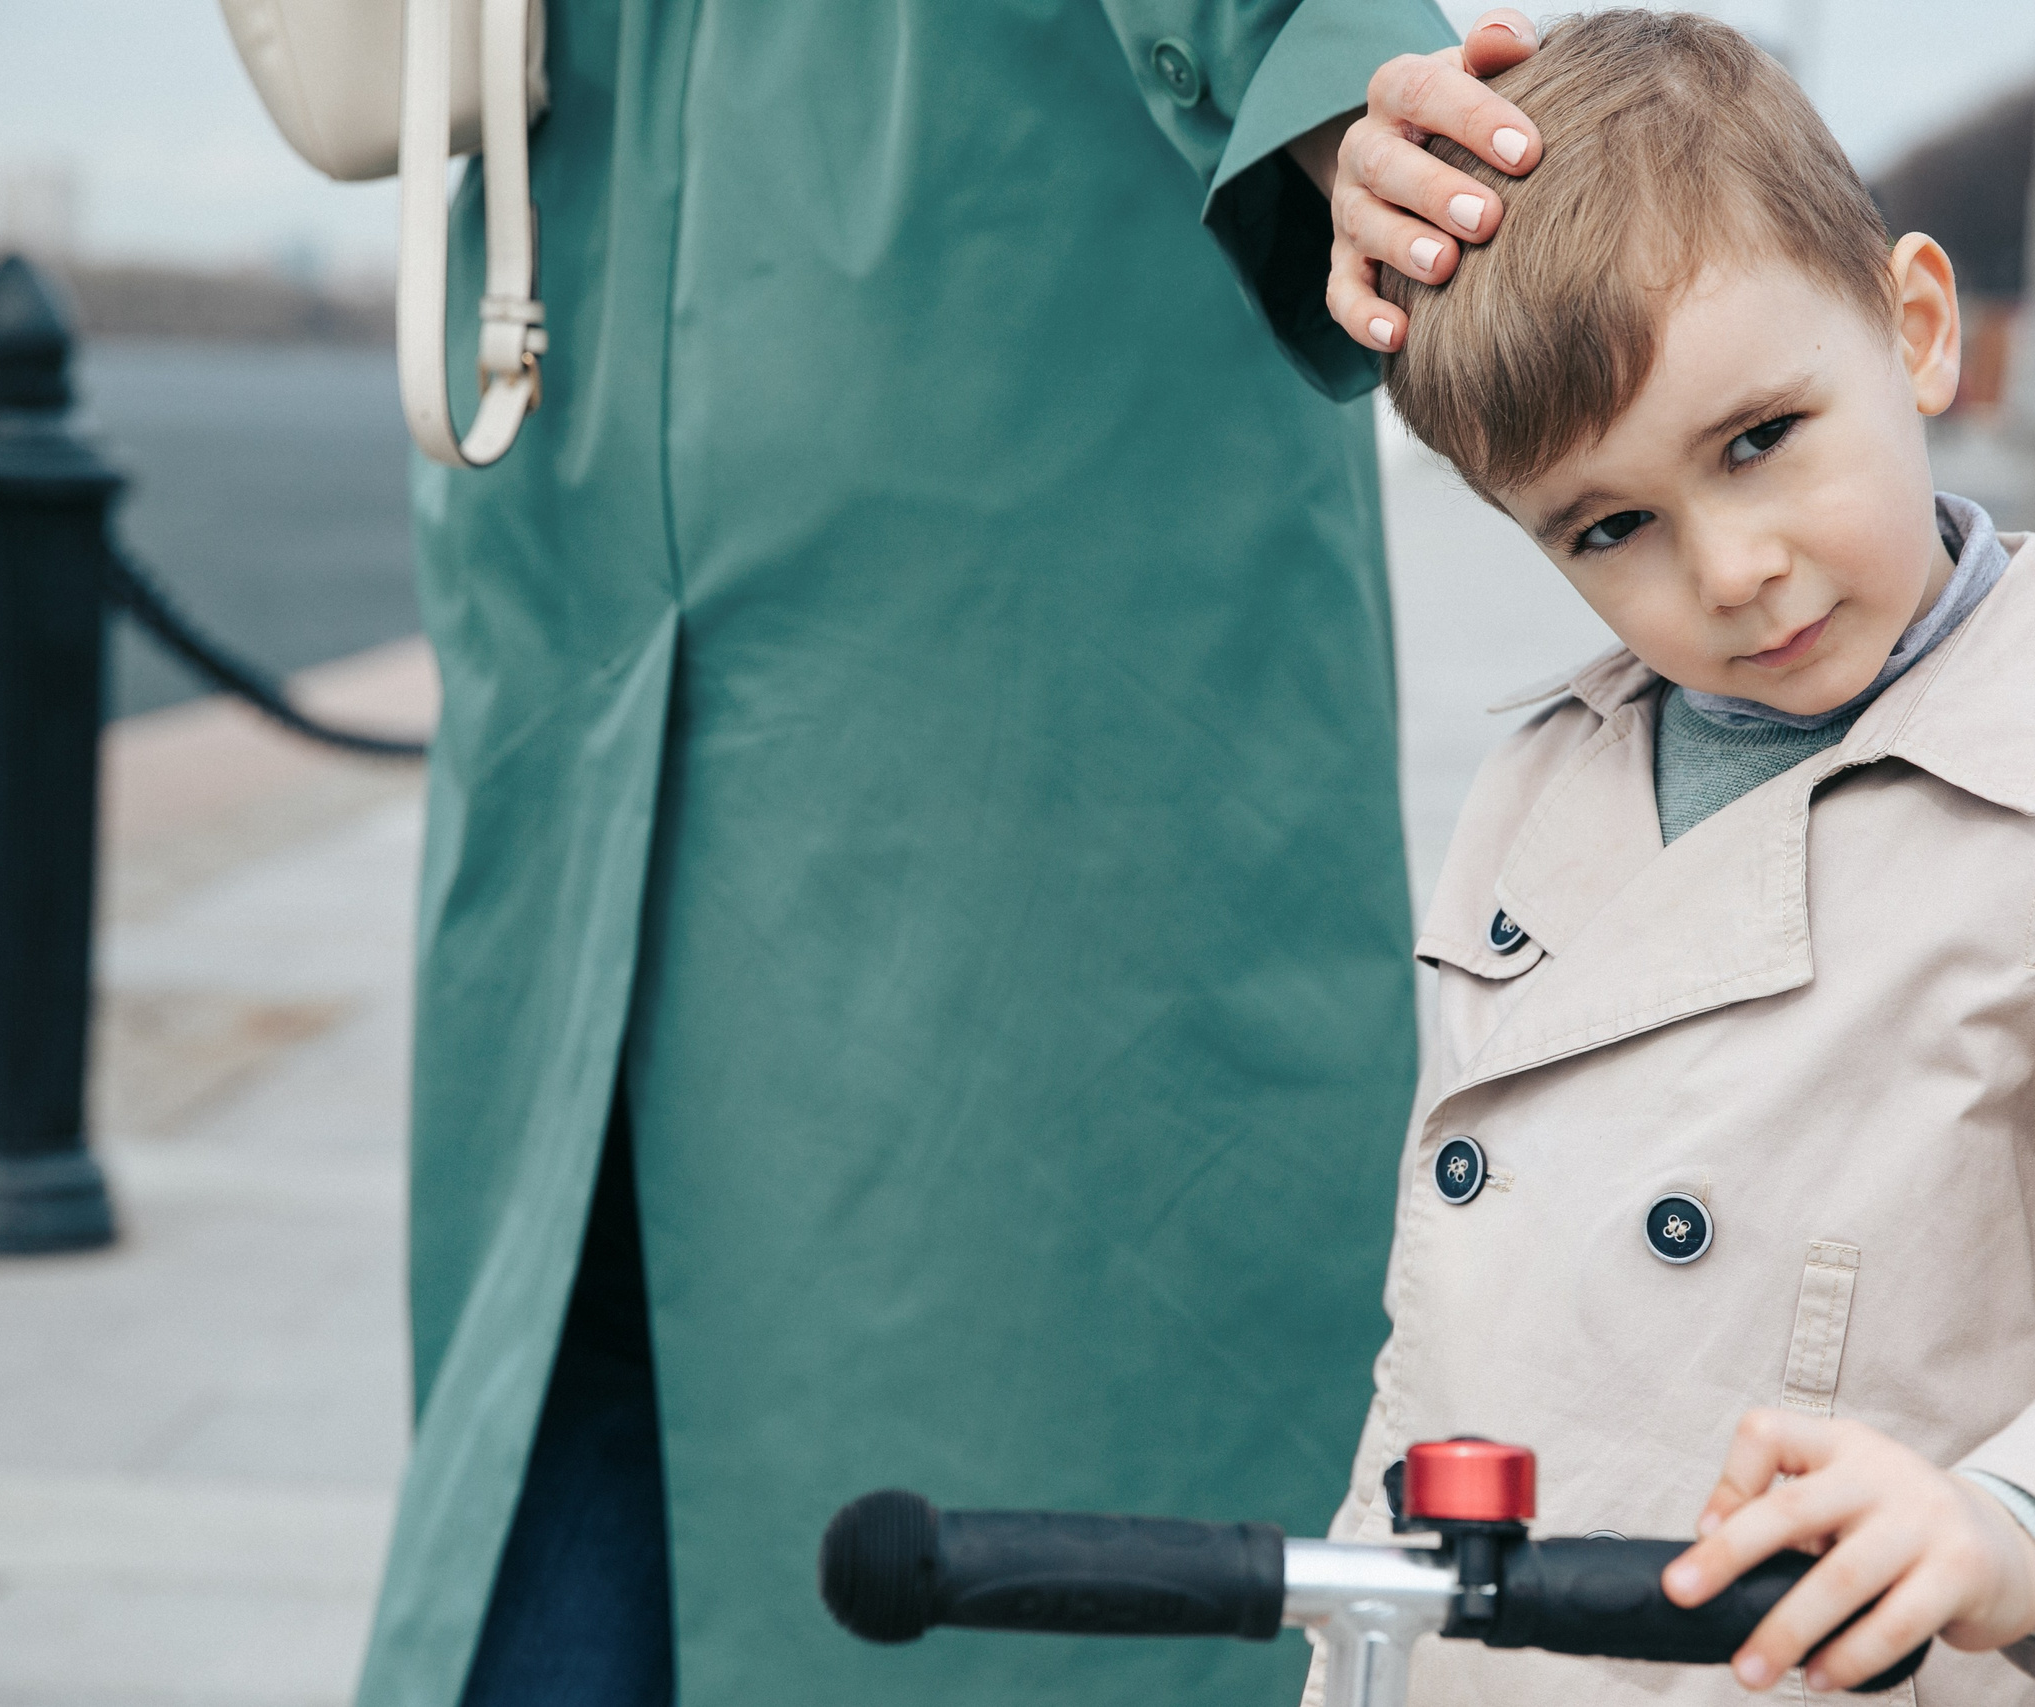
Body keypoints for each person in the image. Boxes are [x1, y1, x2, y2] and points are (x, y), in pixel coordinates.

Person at [352, 7, 1567, 1707]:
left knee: (1003, 1455)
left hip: (1010, 443)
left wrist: (1340, 93)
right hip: (579, 412)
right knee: (570, 1373)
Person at [1306, 14, 2035, 1704]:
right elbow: (1451, 1342)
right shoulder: (1541, 784)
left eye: (1759, 438)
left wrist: (2025, 1524)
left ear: (1916, 327)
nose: (1732, 569)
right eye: (1612, 527)